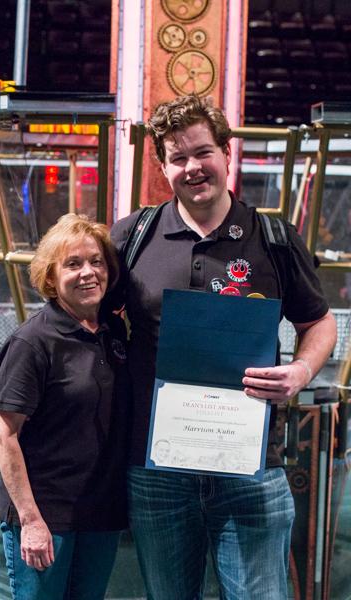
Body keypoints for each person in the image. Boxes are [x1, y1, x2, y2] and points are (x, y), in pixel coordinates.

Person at [110, 94, 337, 600]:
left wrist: (300, 372)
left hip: (251, 467)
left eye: (202, 152)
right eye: (178, 157)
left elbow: (320, 323)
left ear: (226, 152)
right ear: (162, 165)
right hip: (158, 470)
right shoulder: (132, 238)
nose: (192, 167)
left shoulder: (274, 238)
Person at [0, 214, 129, 600]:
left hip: (100, 514)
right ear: (51, 277)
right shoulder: (33, 342)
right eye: (73, 264)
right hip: (46, 517)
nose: (88, 272)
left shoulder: (113, 332)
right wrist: (31, 520)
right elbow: (5, 435)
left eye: (96, 261)